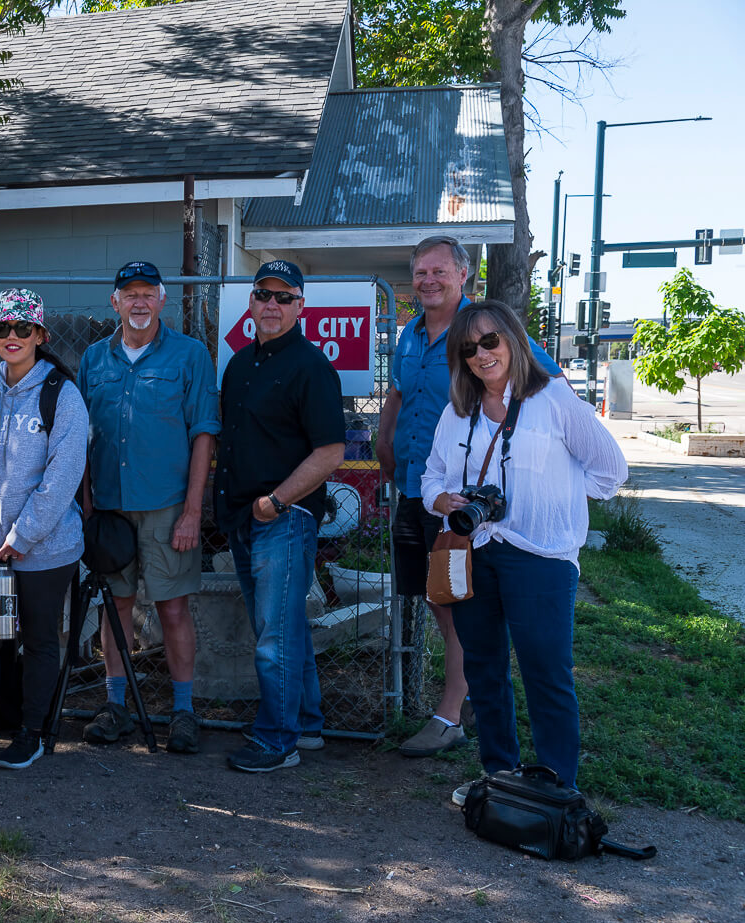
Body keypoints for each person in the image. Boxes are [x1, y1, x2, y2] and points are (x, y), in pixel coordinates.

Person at [420, 300, 626, 800]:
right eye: (468, 347)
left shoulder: (553, 398)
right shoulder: (457, 411)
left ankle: (556, 792)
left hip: (540, 556)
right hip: (474, 552)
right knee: (483, 670)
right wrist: (442, 500)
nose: (481, 354)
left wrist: (557, 498)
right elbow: (431, 477)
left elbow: (610, 472)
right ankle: (499, 779)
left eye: (490, 340)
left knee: (545, 674)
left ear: (513, 339)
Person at [377, 236, 563, 758]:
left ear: (464, 276)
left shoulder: (484, 332)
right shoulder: (410, 334)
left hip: (465, 506)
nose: (428, 280)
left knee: (458, 602)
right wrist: (384, 439)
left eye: (440, 271)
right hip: (418, 490)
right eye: (421, 272)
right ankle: (478, 692)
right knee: (439, 596)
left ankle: (451, 715)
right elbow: (398, 393)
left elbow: (548, 384)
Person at [77, 260, 219, 753]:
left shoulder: (189, 355)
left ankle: (183, 712)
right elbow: (79, 435)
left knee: (172, 607)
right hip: (109, 509)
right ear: (114, 302)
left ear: (162, 300)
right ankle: (115, 706)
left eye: (147, 293)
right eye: (129, 294)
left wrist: (192, 511)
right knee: (115, 606)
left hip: (167, 507)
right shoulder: (94, 359)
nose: (139, 302)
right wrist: (87, 505)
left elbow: (204, 434)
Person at [0, 289, 88, 770]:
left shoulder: (61, 395)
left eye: (23, 328)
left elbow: (63, 475)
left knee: (41, 638)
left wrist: (23, 536)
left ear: (40, 335)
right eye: (3, 328)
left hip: (44, 549)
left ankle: (32, 731)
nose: (13, 336)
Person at [215, 261, 346, 773]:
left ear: (300, 306)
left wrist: (276, 501)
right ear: (251, 302)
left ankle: (277, 741)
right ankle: (306, 725)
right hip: (244, 518)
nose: (273, 305)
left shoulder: (312, 367)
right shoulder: (239, 364)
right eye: (264, 295)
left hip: (284, 519)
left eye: (284, 297)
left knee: (275, 637)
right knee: (283, 628)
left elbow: (330, 452)